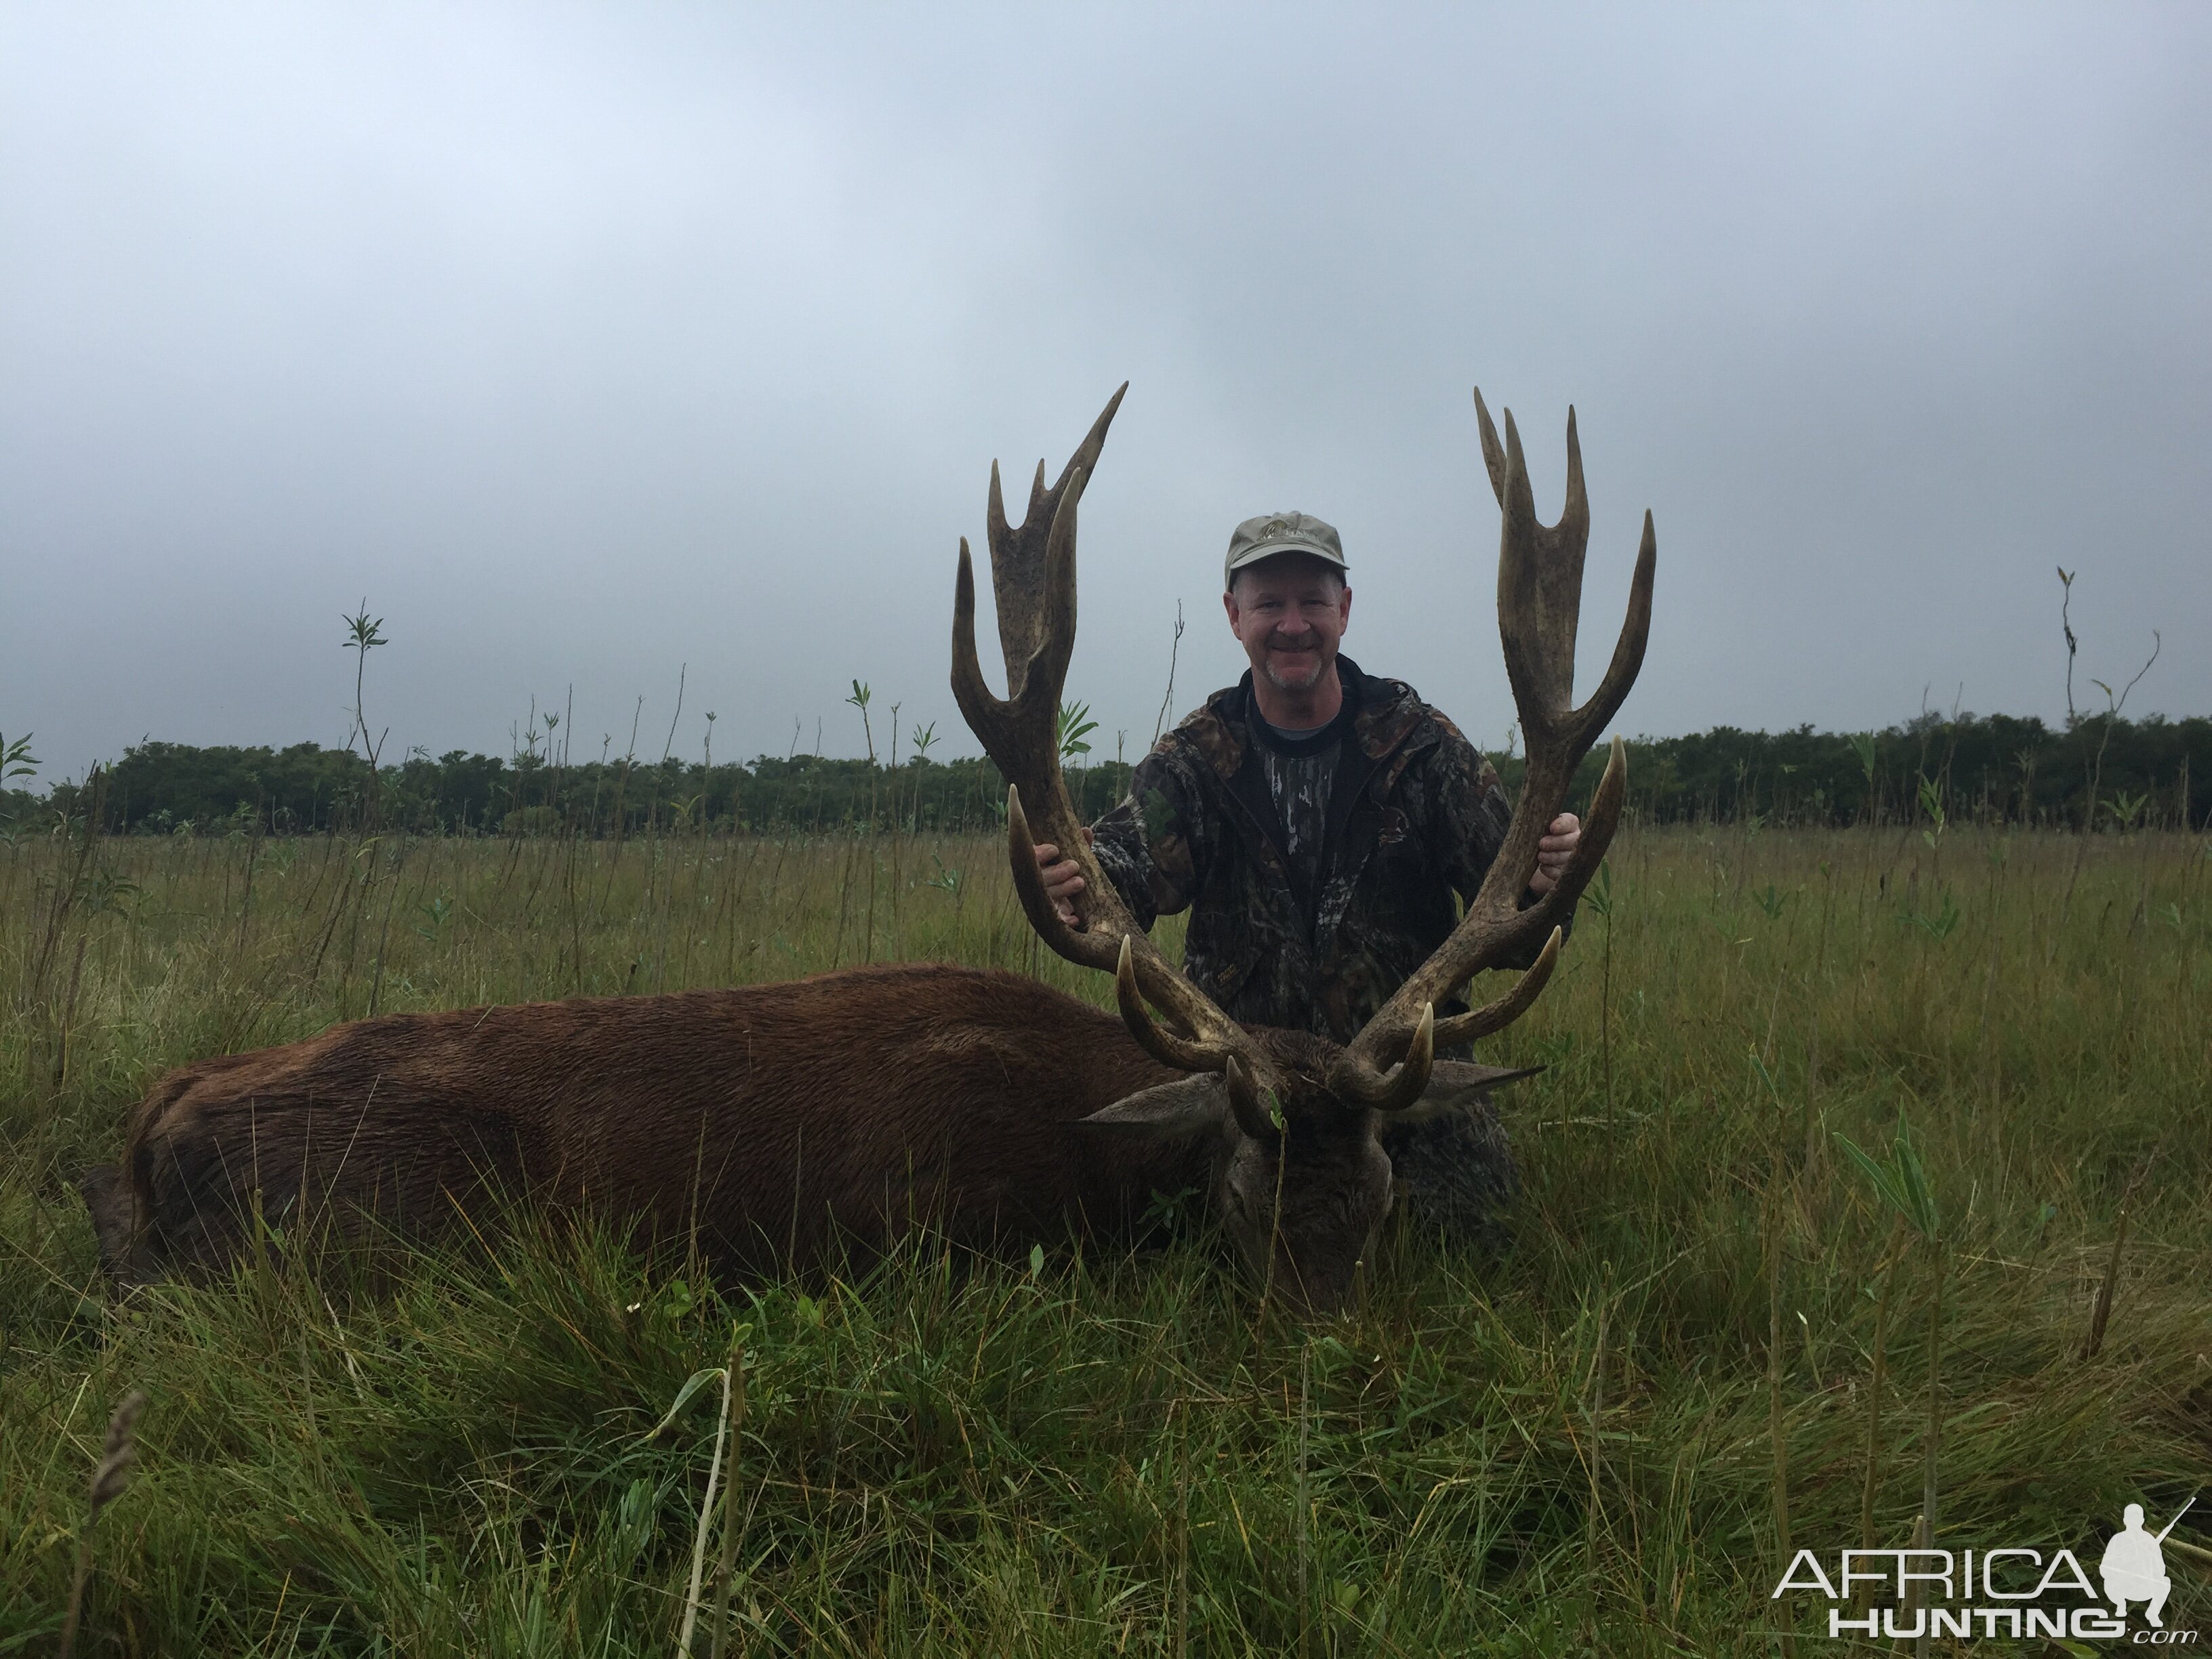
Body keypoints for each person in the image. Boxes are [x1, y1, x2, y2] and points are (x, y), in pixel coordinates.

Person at [1033, 510, 1580, 1244]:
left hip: (1394, 1085)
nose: (1293, 625)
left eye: (1313, 602)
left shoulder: (1424, 748)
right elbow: (1128, 868)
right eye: (1269, 604)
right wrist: (1075, 880)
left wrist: (1548, 881)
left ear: (1344, 611)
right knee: (1171, 1239)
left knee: (1469, 1235)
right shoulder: (1195, 759)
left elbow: (1517, 924)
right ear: (1234, 616)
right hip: (1248, 1097)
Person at [2100, 1504, 2171, 1626]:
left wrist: (2148, 1563)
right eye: (2130, 1518)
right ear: (2125, 1521)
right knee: (2108, 1582)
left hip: (2145, 1586)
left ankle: (2153, 1613)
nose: (2134, 1521)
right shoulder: (2117, 1540)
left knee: (2165, 1582)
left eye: (2137, 1518)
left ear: (2142, 1521)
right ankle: (2120, 1605)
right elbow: (2105, 1567)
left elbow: (2161, 1568)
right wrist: (2123, 1569)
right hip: (2122, 1586)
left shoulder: (2149, 1540)